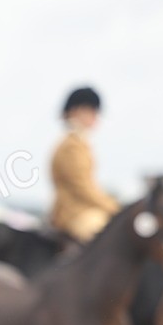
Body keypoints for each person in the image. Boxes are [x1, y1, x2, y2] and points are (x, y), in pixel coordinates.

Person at [49, 86, 119, 243]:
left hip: (85, 209)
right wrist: (112, 207)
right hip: (74, 213)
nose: (96, 117)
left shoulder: (81, 144)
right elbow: (82, 187)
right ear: (77, 111)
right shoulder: (71, 147)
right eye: (92, 112)